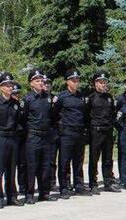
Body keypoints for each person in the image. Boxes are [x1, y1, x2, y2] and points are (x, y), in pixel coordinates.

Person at [0, 72, 24, 208]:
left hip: (13, 138)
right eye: (7, 85)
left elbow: (19, 122)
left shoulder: (16, 103)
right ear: (0, 87)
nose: (10, 87)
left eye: (11, 85)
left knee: (11, 169)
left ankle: (12, 196)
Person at [21, 68, 58, 204]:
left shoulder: (48, 98)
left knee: (45, 165)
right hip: (33, 136)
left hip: (46, 136)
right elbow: (23, 119)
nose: (41, 82)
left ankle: (44, 192)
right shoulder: (27, 99)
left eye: (42, 80)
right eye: (37, 80)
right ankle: (29, 194)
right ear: (31, 84)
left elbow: (53, 117)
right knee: (32, 166)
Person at [55, 69, 91, 199]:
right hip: (66, 133)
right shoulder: (61, 97)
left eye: (77, 80)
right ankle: (64, 187)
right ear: (67, 82)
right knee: (64, 161)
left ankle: (79, 185)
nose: (76, 83)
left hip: (79, 133)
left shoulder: (82, 96)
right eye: (73, 80)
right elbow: (54, 114)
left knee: (79, 161)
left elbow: (86, 115)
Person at [86, 70, 121, 194]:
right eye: (101, 82)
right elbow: (86, 116)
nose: (104, 84)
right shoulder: (91, 98)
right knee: (94, 159)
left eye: (105, 82)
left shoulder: (109, 97)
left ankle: (108, 182)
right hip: (96, 132)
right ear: (95, 83)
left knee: (108, 159)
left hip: (108, 131)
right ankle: (93, 184)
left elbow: (113, 113)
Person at [11, 82, 27, 198]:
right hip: (11, 137)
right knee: (10, 166)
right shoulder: (6, 104)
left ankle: (22, 186)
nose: (16, 95)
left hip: (21, 137)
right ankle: (11, 189)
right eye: (14, 93)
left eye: (18, 93)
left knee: (22, 163)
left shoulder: (22, 104)